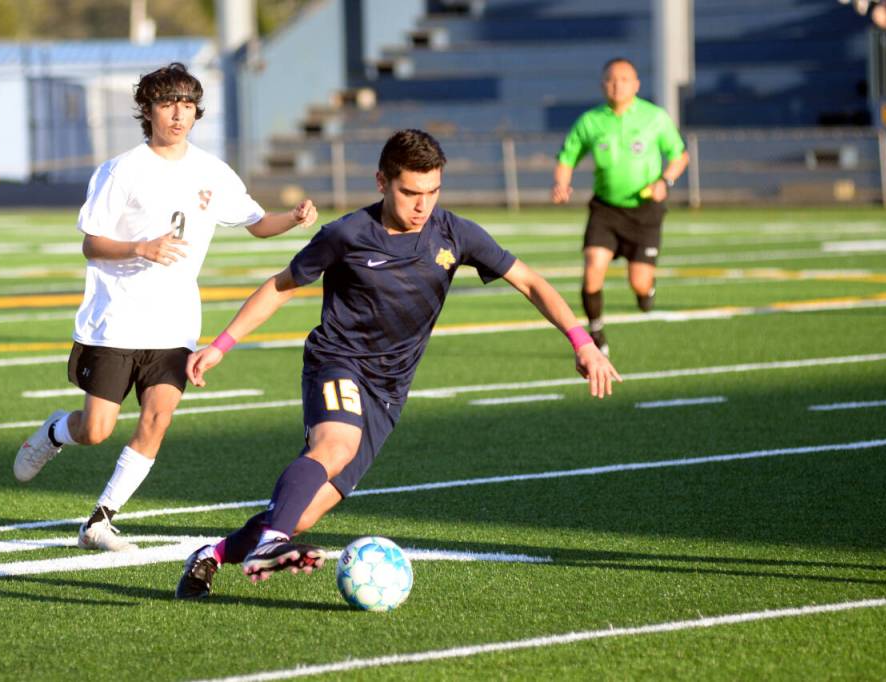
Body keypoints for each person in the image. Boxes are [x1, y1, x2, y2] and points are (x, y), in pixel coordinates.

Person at [174, 129, 621, 599]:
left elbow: (529, 281)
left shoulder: (455, 234)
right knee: (336, 446)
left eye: (432, 192)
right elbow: (281, 286)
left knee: (302, 512)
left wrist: (582, 341)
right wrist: (221, 345)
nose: (421, 205)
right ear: (382, 182)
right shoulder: (347, 234)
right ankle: (272, 541)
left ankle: (213, 554)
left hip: (389, 392)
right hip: (337, 360)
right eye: (410, 192)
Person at [13, 63, 318, 552]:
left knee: (158, 417)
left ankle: (100, 521)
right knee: (96, 430)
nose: (178, 114)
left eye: (187, 104)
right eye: (167, 103)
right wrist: (140, 248)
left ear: (197, 111)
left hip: (175, 325)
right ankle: (53, 432)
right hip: (115, 322)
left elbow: (256, 221)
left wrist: (294, 218)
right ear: (148, 110)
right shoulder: (121, 169)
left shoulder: (211, 171)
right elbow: (92, 244)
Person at [551, 57, 689, 356]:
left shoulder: (655, 117)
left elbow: (679, 156)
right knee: (592, 267)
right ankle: (595, 331)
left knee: (639, 282)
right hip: (606, 210)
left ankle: (646, 292)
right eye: (611, 80)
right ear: (603, 85)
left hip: (645, 210)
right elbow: (566, 157)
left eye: (624, 79)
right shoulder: (591, 121)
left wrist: (666, 180)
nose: (617, 85)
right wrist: (562, 183)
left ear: (636, 84)